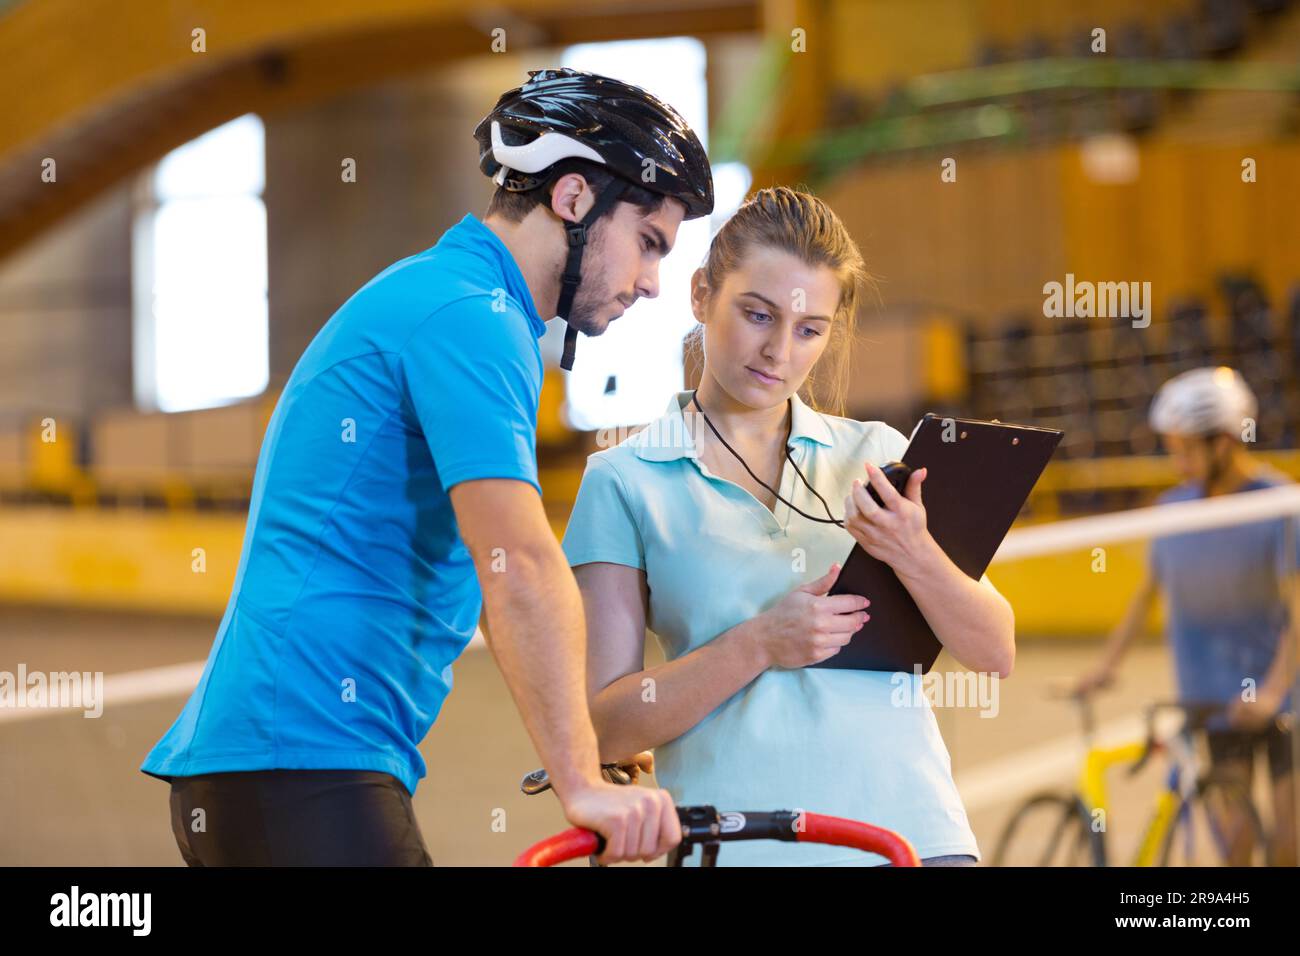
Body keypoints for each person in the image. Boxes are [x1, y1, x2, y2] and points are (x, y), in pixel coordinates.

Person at [140, 68, 714, 866]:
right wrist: (581, 780)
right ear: (574, 199)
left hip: (291, 765)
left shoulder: (461, 300)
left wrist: (584, 742)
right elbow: (518, 565)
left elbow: (491, 578)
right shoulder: (471, 318)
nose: (653, 284)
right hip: (300, 761)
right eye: (649, 242)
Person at [559, 187, 1015, 866]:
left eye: (810, 329)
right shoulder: (623, 481)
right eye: (757, 314)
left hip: (912, 839)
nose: (778, 350)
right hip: (743, 845)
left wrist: (914, 551)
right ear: (701, 295)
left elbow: (994, 650)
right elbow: (607, 728)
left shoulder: (878, 456)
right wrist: (759, 643)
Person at [1076, 366, 1298, 866]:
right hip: (1216, 703)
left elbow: (1299, 610)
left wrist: (1274, 690)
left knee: (1289, 842)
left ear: (1223, 442)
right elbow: (1146, 595)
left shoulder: (1279, 504)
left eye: (1184, 448)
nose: (1175, 461)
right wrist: (1106, 666)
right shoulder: (1173, 510)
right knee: (1234, 843)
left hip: (1284, 699)